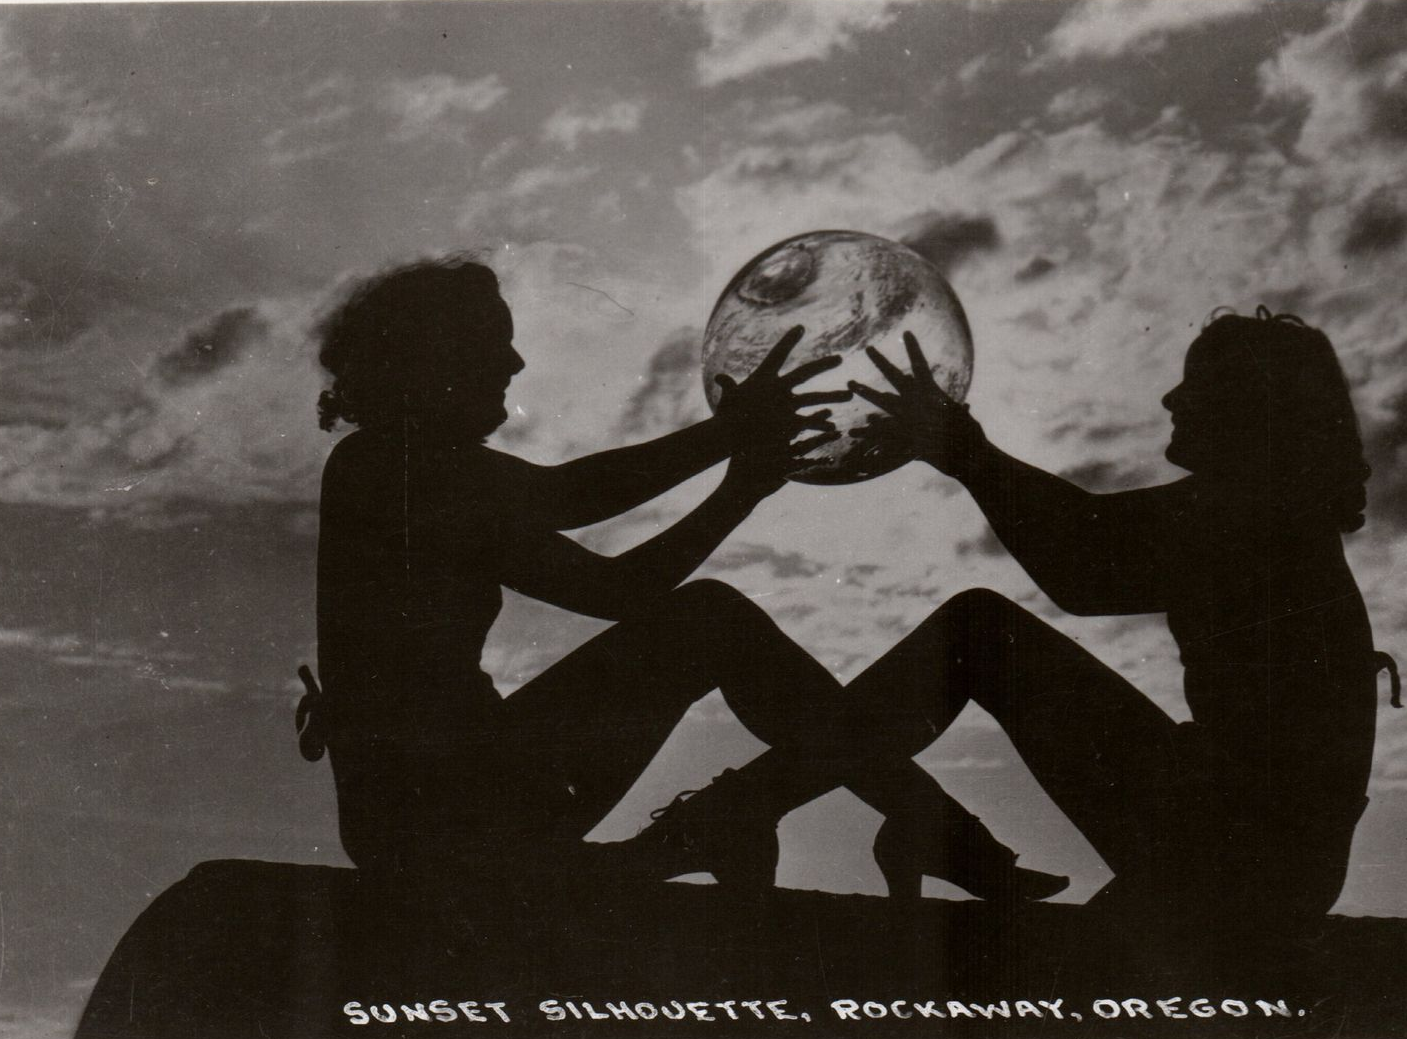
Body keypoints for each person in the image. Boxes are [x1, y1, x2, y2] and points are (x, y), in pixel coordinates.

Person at [304, 256, 1066, 900]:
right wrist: (733, 444)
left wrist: (740, 480)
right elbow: (573, 503)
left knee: (707, 619)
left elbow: (613, 587)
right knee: (710, 620)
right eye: (490, 345)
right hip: (443, 812)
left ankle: (745, 834)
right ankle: (913, 830)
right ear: (430, 358)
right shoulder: (384, 466)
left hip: (446, 809)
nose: (514, 364)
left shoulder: (411, 474)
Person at [844, 308, 1394, 930]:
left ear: (1250, 405)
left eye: (1198, 384)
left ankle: (744, 811)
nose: (1173, 397)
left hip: (1239, 853)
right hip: (1260, 856)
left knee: (980, 632)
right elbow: (1087, 556)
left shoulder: (1260, 512)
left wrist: (966, 452)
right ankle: (759, 811)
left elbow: (1083, 561)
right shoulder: (1281, 515)